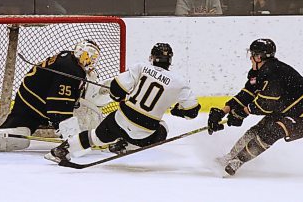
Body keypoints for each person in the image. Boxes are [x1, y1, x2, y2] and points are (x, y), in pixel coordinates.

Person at [44, 43, 202, 163]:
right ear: (170, 60)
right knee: (163, 129)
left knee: (95, 137)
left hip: (121, 119)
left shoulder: (141, 67)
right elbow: (192, 111)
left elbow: (117, 87)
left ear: (152, 57)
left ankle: (61, 151)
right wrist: (177, 111)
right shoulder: (179, 82)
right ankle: (124, 146)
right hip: (145, 131)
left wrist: (117, 97)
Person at [207, 38, 303, 176]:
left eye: (252, 55)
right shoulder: (258, 72)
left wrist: (243, 112)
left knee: (272, 131)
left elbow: (265, 105)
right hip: (287, 109)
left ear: (259, 57)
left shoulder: (273, 73)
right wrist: (223, 111)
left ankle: (238, 161)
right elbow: (247, 95)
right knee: (257, 129)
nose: (250, 58)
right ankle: (230, 157)